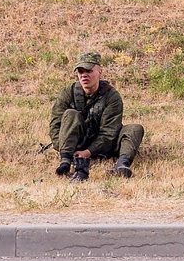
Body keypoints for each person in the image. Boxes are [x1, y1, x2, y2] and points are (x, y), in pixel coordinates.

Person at [49, 52, 144, 181]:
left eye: (88, 70)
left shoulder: (111, 96)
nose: (84, 75)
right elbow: (55, 126)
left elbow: (109, 132)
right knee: (70, 114)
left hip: (105, 146)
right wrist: (63, 148)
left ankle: (122, 164)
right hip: (75, 142)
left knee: (135, 129)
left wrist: (88, 152)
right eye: (80, 71)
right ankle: (65, 161)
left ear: (99, 71)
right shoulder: (68, 93)